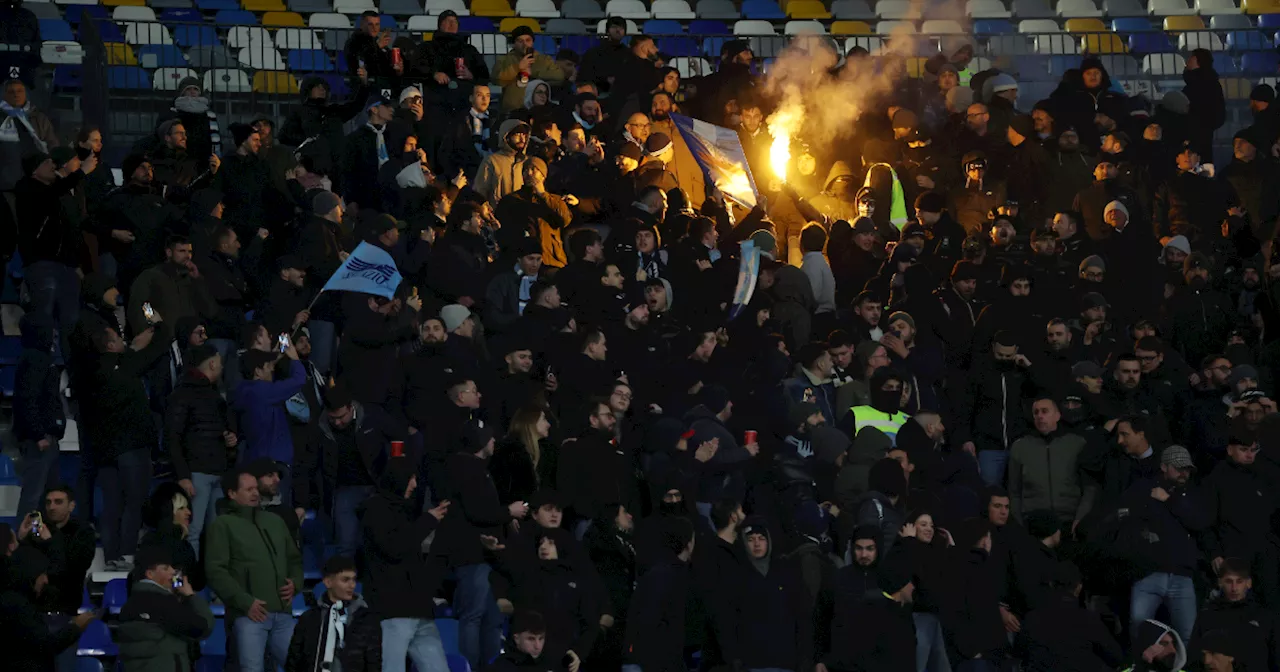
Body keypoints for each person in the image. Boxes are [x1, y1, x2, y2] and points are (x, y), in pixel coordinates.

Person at [438, 419, 527, 669]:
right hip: (471, 555)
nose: (494, 442)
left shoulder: (475, 467)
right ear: (480, 442)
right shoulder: (468, 469)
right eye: (489, 438)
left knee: (493, 618)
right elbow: (478, 511)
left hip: (485, 556)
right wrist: (509, 511)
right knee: (473, 616)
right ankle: (470, 667)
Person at [205, 467, 305, 672]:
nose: (255, 493)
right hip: (249, 615)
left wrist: (296, 583)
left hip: (283, 614)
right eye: (248, 489)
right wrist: (245, 602)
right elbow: (216, 570)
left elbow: (294, 560)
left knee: (303, 666)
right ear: (232, 494)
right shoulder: (222, 525)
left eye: (256, 489)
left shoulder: (275, 521)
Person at [166, 344, 237, 556]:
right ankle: (190, 585)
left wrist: (230, 440)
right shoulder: (184, 393)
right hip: (196, 474)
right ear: (213, 363)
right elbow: (172, 437)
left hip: (216, 471)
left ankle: (212, 586)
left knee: (216, 534)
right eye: (220, 363)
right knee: (193, 531)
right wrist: (183, 476)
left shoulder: (213, 395)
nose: (222, 367)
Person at [17, 484, 96, 672]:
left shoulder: (83, 533)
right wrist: (22, 540)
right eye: (48, 502)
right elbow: (23, 571)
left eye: (58, 502)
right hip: (34, 616)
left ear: (71, 506)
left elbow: (73, 569)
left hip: (64, 613)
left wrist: (50, 543)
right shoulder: (37, 535)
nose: (52, 507)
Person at [116, 546, 214, 672]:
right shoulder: (164, 603)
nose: (173, 572)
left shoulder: (128, 606)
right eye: (165, 568)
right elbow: (203, 627)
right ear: (150, 574)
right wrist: (190, 596)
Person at [0, 546, 98, 672]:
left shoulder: (13, 598)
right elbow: (45, 645)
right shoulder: (17, 605)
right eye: (43, 574)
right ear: (30, 573)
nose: (45, 580)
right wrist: (76, 627)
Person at [286, 555, 383, 672]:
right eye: (345, 580)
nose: (352, 585)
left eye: (353, 580)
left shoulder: (367, 619)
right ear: (328, 582)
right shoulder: (308, 619)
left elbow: (374, 665)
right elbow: (294, 662)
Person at [14, 313, 66, 517]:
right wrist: (38, 434)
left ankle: (43, 542)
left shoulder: (37, 358)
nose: (54, 335)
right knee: (34, 498)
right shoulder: (36, 359)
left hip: (46, 438)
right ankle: (23, 542)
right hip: (40, 441)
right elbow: (29, 399)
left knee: (50, 498)